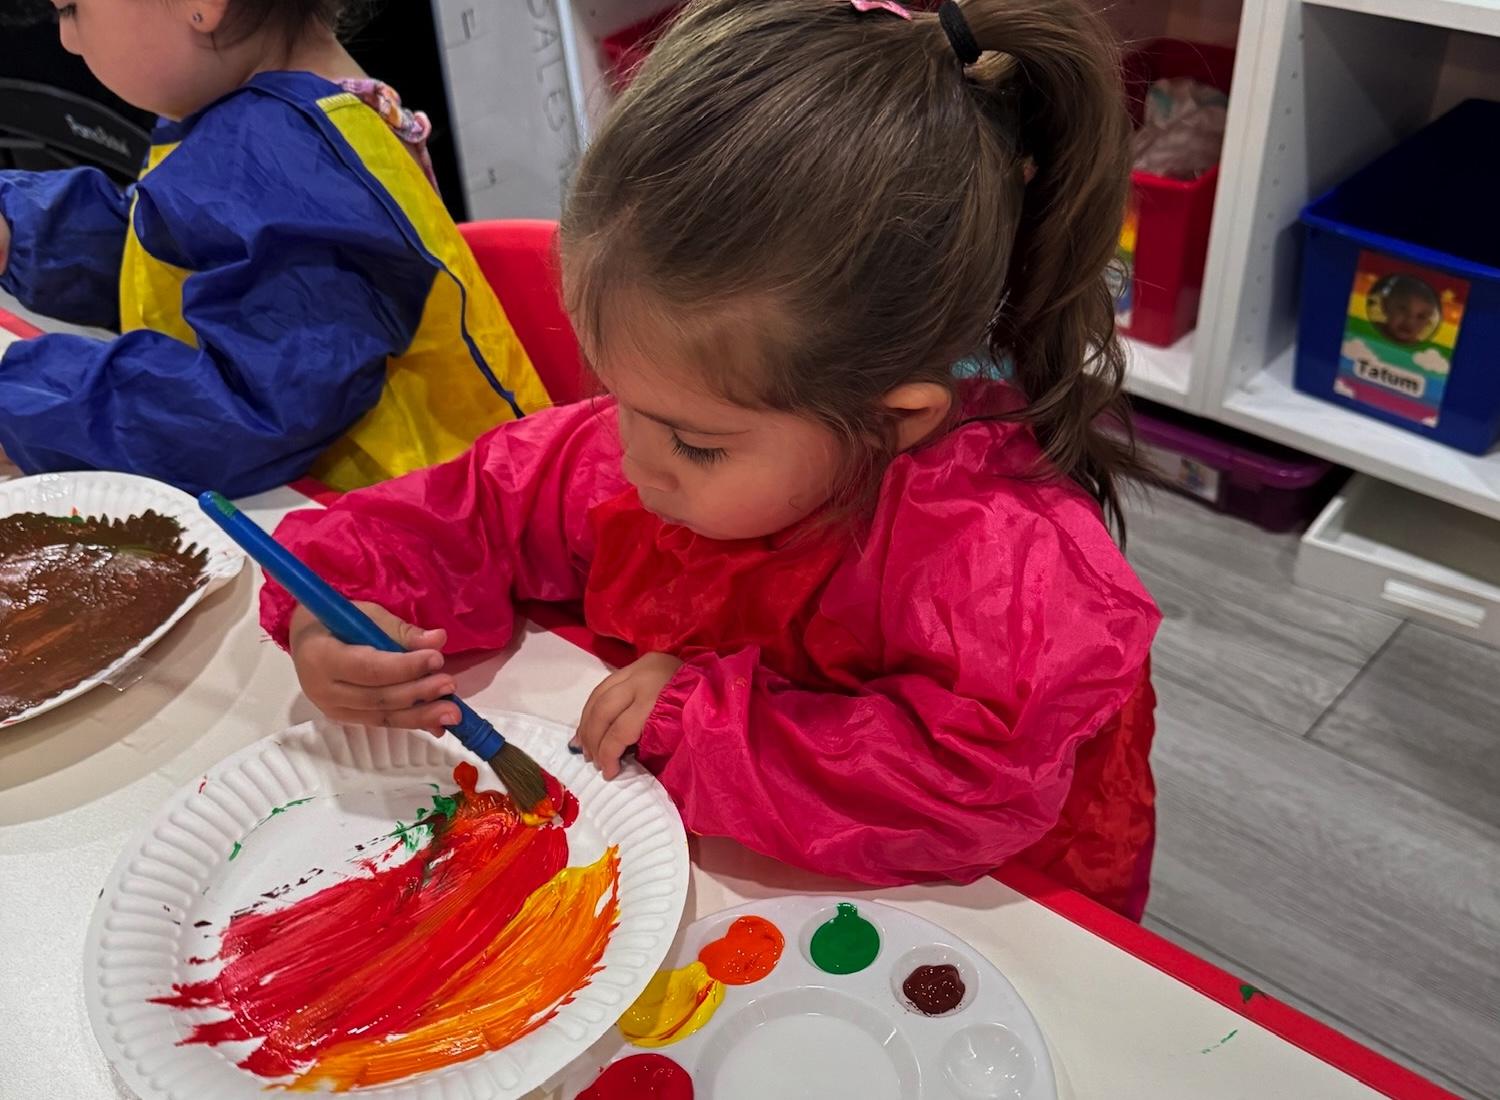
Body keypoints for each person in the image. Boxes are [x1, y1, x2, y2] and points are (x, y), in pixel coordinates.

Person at [261, 0, 1164, 916]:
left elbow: (968, 783)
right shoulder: (663, 438)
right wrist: (334, 608)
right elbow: (471, 510)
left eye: (693, 443)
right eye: (621, 402)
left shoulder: (1003, 568)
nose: (633, 464)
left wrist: (707, 723)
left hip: (989, 930)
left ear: (894, 421)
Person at [0, 0, 548, 496]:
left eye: (71, 10)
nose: (68, 41)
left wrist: (23, 404)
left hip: (429, 553)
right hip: (338, 516)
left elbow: (244, 414)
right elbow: (165, 249)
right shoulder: (266, 111)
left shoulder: (287, 158)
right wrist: (17, 231)